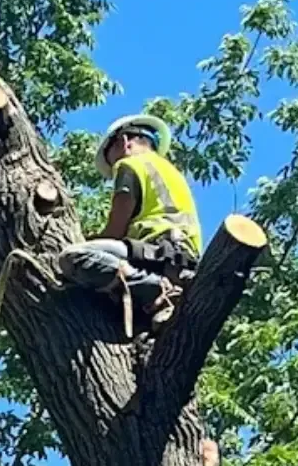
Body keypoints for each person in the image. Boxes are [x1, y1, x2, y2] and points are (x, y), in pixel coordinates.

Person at [56, 113, 203, 331]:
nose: (114, 164)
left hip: (155, 250)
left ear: (124, 142)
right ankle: (157, 299)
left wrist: (88, 240)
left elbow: (115, 230)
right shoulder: (172, 173)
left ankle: (157, 289)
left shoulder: (130, 164)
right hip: (182, 259)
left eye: (112, 157)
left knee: (73, 258)